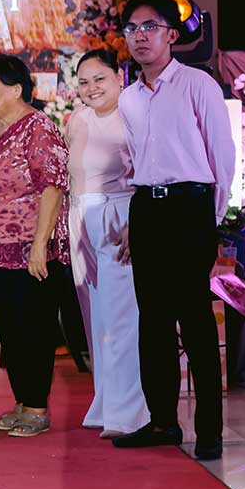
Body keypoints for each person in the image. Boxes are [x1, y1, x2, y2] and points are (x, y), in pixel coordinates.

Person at [112, 0, 235, 461]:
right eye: (132, 29)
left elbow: (221, 155)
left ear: (171, 34)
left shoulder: (197, 84)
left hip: (190, 208)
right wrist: (134, 219)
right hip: (148, 209)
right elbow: (133, 162)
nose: (140, 37)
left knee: (196, 320)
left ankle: (209, 430)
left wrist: (210, 217)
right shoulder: (128, 98)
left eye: (150, 27)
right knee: (153, 322)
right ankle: (163, 421)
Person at [0, 54, 69, 438]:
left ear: (15, 89)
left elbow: (53, 186)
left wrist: (40, 244)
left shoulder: (38, 127)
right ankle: (22, 400)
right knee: (9, 328)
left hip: (31, 248)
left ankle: (37, 407)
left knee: (34, 328)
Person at [67, 50, 149, 439]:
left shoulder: (135, 114)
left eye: (99, 79)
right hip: (80, 218)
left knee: (121, 318)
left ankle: (127, 412)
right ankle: (104, 402)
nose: (91, 88)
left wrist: (137, 222)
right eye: (84, 82)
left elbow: (148, 172)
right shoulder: (77, 119)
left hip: (119, 216)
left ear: (119, 76)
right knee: (96, 319)